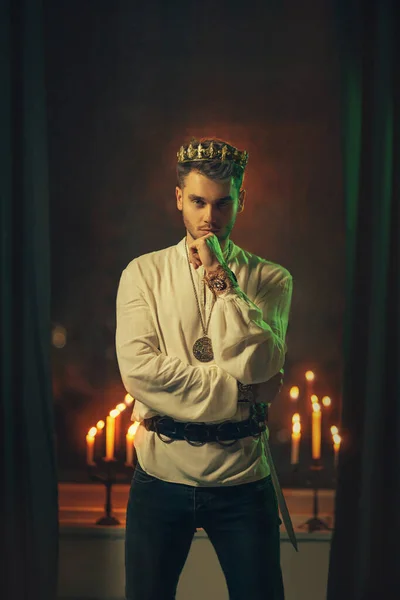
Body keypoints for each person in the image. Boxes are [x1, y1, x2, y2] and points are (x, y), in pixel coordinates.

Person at [116, 137, 293, 600]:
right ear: (179, 198)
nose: (209, 217)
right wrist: (238, 394)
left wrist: (222, 281)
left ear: (241, 200)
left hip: (243, 480)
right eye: (197, 201)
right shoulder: (143, 273)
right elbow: (141, 373)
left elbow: (259, 362)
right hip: (161, 475)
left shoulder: (271, 278)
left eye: (221, 203)